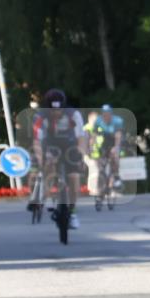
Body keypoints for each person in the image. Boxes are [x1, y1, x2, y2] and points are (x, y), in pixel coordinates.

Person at [32, 89, 87, 229]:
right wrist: (41, 159)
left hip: (70, 144)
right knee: (48, 163)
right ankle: (50, 196)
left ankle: (73, 212)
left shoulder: (74, 115)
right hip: (49, 144)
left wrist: (80, 156)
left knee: (74, 178)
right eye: (52, 110)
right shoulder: (40, 116)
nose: (56, 113)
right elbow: (37, 141)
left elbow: (81, 137)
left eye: (59, 110)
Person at [85, 104, 125, 191]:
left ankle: (116, 177)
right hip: (106, 140)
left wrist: (116, 148)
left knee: (114, 157)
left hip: (115, 139)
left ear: (111, 114)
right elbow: (94, 136)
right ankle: (102, 182)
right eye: (104, 114)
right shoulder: (98, 120)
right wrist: (91, 147)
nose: (105, 116)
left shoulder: (117, 121)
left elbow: (118, 136)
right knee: (101, 161)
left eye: (107, 114)